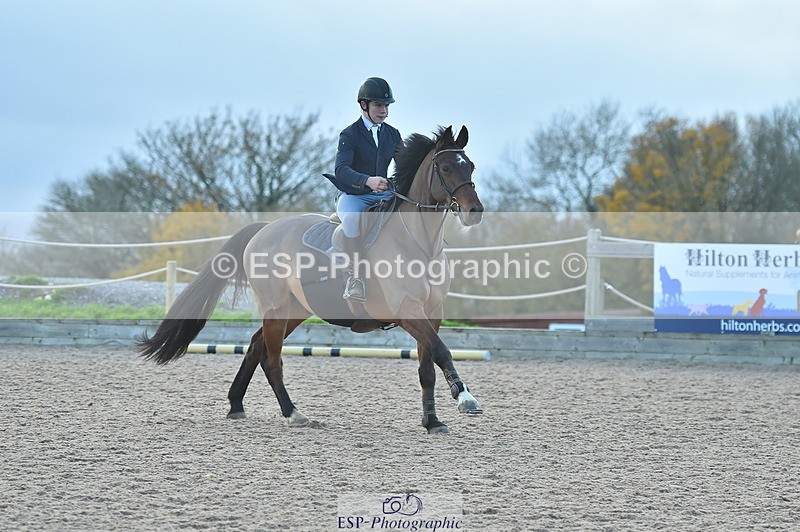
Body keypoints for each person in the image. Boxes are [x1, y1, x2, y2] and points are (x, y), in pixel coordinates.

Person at [325, 77, 403, 301]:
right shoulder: (350, 134)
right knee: (350, 219)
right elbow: (341, 170)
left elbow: (404, 167)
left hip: (383, 194)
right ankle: (354, 278)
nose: (384, 111)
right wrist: (368, 181)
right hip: (354, 194)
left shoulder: (393, 134)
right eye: (379, 105)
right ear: (364, 105)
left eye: (386, 106)